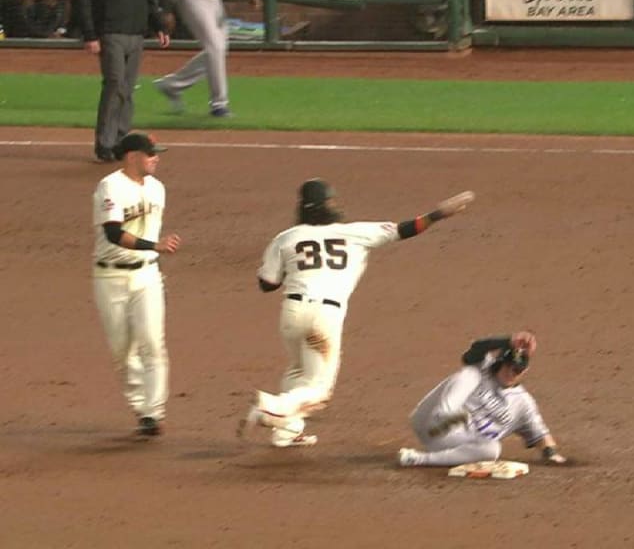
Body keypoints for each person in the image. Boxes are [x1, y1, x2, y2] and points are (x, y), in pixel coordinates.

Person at [237, 180, 475, 448]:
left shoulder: (286, 237)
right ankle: (271, 406)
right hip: (323, 316)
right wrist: (438, 214)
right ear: (326, 206)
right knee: (319, 391)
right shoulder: (357, 232)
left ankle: (288, 431)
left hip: (291, 313)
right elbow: (405, 229)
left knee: (298, 370)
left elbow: (267, 284)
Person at [92, 131, 183, 437]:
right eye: (151, 153)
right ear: (133, 156)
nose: (156, 158)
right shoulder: (110, 186)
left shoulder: (158, 188)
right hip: (111, 276)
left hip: (146, 275)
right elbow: (113, 233)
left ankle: (153, 413)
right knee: (123, 350)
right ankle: (140, 406)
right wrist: (154, 245)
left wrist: (152, 255)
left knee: (153, 343)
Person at [397, 331, 567, 468]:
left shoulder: (523, 403)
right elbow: (476, 348)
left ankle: (418, 459)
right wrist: (508, 341)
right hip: (429, 421)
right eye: (507, 365)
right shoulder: (483, 366)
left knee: (492, 449)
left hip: (452, 442)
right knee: (469, 373)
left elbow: (541, 435)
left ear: (523, 371)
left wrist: (551, 454)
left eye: (516, 369)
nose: (510, 372)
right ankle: (445, 414)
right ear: (500, 361)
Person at [72, 0, 171, 163]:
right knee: (115, 83)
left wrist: (159, 26)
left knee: (127, 87)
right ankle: (105, 143)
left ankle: (120, 141)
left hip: (136, 34)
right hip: (110, 32)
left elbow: (149, 0)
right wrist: (89, 34)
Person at [153, 0, 260, 117]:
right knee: (215, 48)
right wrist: (166, 10)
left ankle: (171, 85)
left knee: (218, 50)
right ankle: (219, 105)